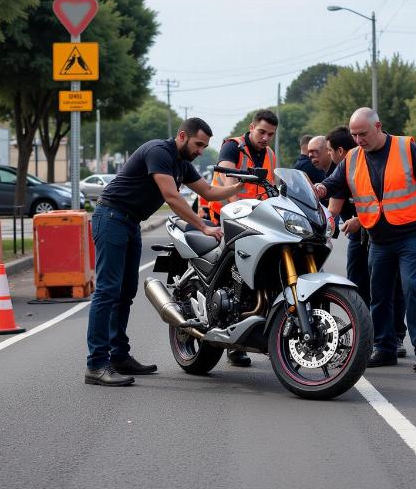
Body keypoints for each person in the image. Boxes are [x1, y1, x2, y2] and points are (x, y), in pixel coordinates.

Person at [86, 118, 244, 387]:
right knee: (107, 291)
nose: (200, 151)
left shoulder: (182, 163)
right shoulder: (159, 151)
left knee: (124, 294)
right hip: (111, 217)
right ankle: (96, 364)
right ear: (182, 135)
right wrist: (202, 227)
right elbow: (171, 197)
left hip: (130, 222)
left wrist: (237, 187)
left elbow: (207, 190)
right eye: (198, 144)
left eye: (205, 146)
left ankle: (120, 356)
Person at [316, 107, 416, 372]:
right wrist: (321, 188)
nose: (359, 139)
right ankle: (384, 348)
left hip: (410, 235)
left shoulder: (407, 149)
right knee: (379, 296)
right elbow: (334, 183)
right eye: (354, 135)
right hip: (378, 238)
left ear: (378, 126)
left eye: (362, 134)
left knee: (412, 288)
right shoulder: (352, 157)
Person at [325, 125, 408, 358]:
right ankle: (369, 336)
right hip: (358, 236)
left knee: (392, 288)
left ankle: (396, 337)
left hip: (382, 234)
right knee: (358, 285)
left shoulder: (370, 163)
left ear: (340, 151)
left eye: (329, 150)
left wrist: (359, 220)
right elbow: (333, 208)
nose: (325, 154)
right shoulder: (342, 169)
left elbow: (384, 202)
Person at [208, 109, 278, 367]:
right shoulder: (233, 147)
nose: (265, 138)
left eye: (270, 134)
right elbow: (227, 177)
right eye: (261, 132)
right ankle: (232, 342)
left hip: (257, 221)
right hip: (229, 218)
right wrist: (238, 210)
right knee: (234, 275)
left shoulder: (270, 154)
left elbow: (272, 188)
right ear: (251, 127)